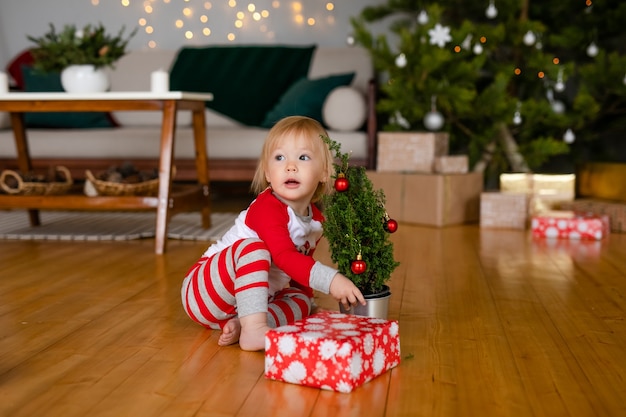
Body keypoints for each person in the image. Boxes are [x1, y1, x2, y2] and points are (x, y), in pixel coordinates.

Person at [181, 115, 366, 351]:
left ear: (323, 172)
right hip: (205, 291)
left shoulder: (316, 221)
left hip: (247, 304)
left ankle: (244, 325)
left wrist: (308, 302)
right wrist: (331, 280)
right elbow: (285, 257)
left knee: (300, 302)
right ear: (268, 173)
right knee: (255, 248)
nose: (290, 165)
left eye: (303, 157)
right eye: (280, 158)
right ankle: (255, 331)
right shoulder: (267, 208)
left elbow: (301, 266)